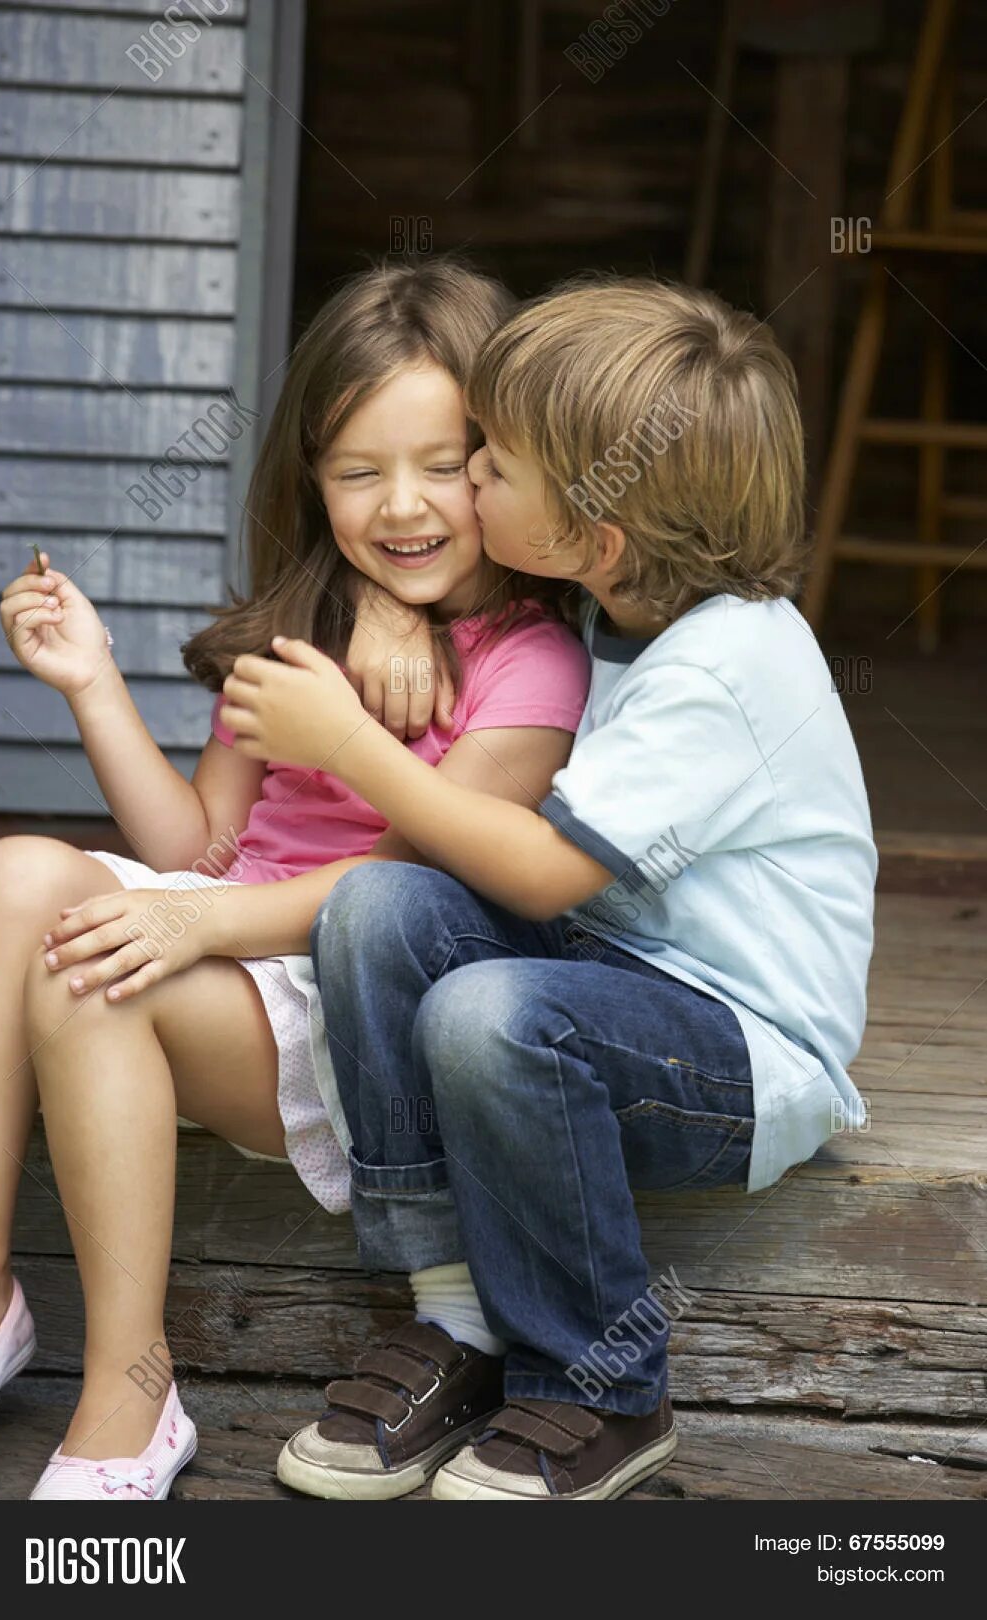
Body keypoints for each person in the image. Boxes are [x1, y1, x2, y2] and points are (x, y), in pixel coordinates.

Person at [221, 277, 878, 1501]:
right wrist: (379, 606)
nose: (464, 489)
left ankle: (600, 1387)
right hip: (612, 980)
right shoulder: (612, 595)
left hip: (742, 1055)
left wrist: (352, 747)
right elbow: (449, 584)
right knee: (375, 908)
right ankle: (455, 1311)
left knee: (489, 1012)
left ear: (593, 534)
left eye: (491, 467)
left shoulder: (725, 668)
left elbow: (535, 866)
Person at [0, 259, 590, 1501]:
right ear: (311, 480)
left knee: (94, 976)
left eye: (439, 465)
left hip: (346, 1002)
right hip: (228, 942)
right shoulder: (297, 633)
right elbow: (199, 846)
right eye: (358, 472)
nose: (402, 505)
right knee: (13, 877)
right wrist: (94, 684)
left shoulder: (530, 665)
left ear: (501, 463)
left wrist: (189, 922)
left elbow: (409, 889)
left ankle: (130, 1394)